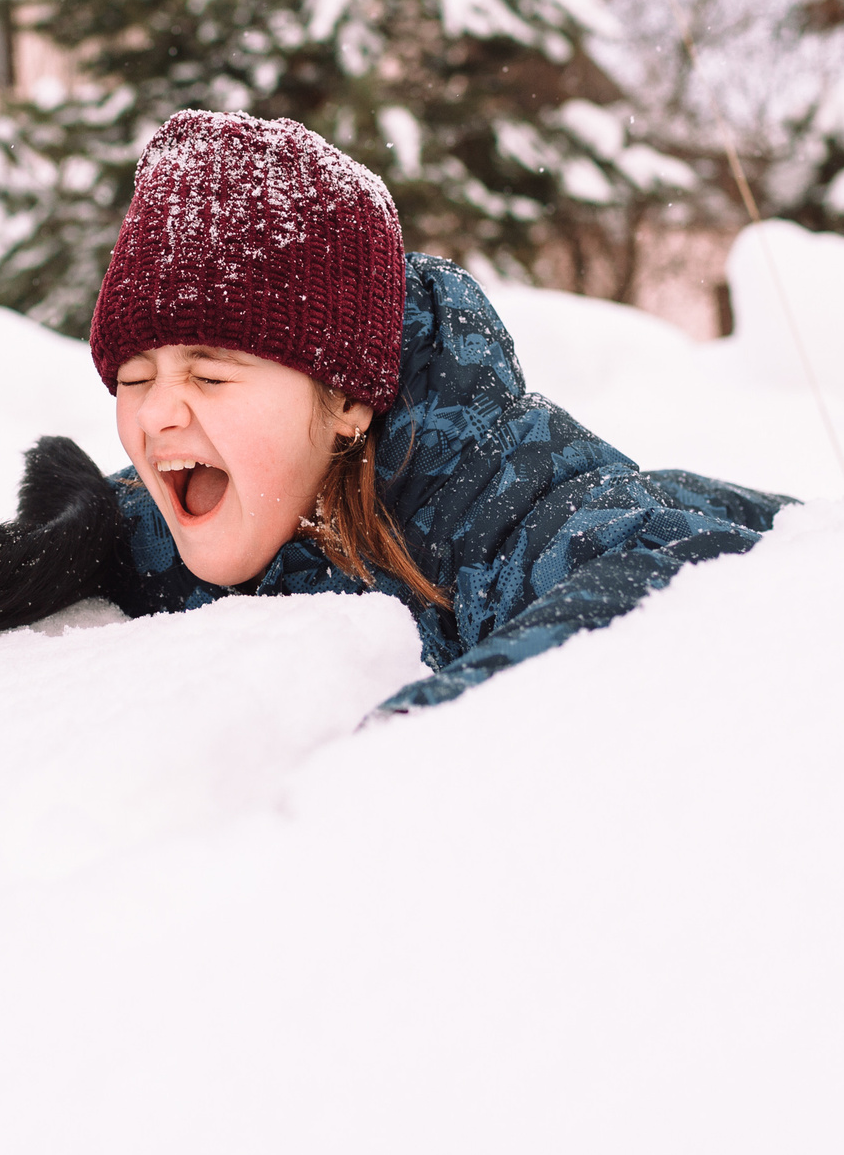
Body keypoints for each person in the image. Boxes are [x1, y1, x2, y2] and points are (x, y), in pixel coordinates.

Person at [89, 108, 789, 712]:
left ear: (348, 399)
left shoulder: (493, 500)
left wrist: (410, 753)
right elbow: (120, 522)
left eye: (209, 376)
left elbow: (673, 574)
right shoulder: (232, 492)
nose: (157, 416)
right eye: (135, 377)